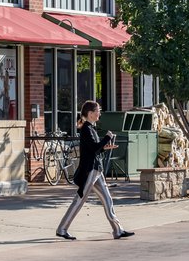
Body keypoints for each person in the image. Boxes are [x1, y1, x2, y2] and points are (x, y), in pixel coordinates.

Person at [56, 100, 133, 241]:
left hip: (97, 170)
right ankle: (62, 229)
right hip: (90, 170)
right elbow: (94, 148)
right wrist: (107, 138)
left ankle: (118, 230)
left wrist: (105, 147)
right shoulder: (86, 129)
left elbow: (94, 148)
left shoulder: (91, 128)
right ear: (90, 113)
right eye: (98, 111)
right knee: (80, 199)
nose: (99, 113)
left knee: (108, 199)